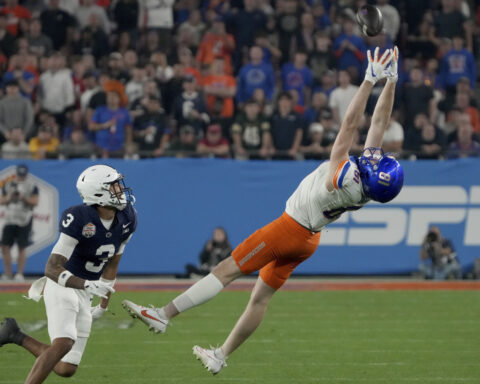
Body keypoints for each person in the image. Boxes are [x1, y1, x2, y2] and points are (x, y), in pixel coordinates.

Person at [122, 47, 404, 374]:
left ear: (369, 175)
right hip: (309, 240)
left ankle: (164, 315)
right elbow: (380, 123)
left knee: (228, 268)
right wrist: (393, 80)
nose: (373, 156)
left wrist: (370, 80)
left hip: (291, 228)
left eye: (375, 162)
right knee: (259, 299)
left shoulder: (346, 176)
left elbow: (349, 127)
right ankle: (221, 355)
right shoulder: (368, 188)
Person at [0, 165, 137, 383]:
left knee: (66, 368)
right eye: (114, 186)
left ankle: (14, 334)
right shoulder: (79, 217)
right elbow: (52, 267)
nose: (120, 189)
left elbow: (112, 264)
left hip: (87, 290)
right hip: (62, 284)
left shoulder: (128, 217)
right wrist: (84, 284)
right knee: (64, 343)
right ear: (98, 193)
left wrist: (103, 304)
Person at [0, 164, 38, 281]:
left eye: (23, 175)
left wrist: (23, 198)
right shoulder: (8, 184)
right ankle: (8, 273)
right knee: (5, 246)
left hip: (24, 219)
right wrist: (9, 197)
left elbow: (35, 201)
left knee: (22, 246)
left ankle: (20, 273)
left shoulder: (32, 185)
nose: (21, 177)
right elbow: (2, 200)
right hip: (10, 218)